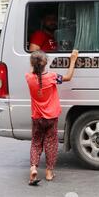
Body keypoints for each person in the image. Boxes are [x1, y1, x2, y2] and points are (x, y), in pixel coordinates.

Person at [26, 49, 79, 186]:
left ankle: (33, 168)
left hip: (37, 117)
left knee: (36, 142)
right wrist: (72, 60)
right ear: (46, 63)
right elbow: (68, 77)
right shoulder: (52, 77)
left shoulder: (28, 77)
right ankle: (49, 172)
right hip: (51, 117)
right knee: (51, 143)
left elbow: (34, 73)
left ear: (32, 64)